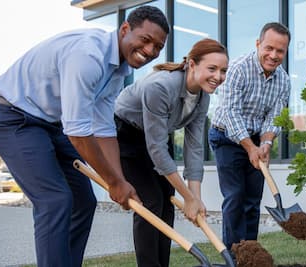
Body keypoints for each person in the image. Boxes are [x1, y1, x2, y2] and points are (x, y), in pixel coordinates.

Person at [0, 6, 168, 267]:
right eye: (145, 40)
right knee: (55, 199)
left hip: (49, 125)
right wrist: (114, 183)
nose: (150, 51)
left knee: (84, 201)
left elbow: (103, 130)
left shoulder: (118, 72)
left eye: (158, 47)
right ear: (125, 29)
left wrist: (120, 180)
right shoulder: (88, 55)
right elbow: (78, 133)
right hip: (10, 117)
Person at [114, 38, 228, 266]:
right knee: (151, 202)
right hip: (126, 134)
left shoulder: (203, 95)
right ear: (192, 64)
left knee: (167, 202)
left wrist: (195, 198)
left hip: (156, 134)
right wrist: (187, 197)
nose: (218, 76)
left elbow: (194, 146)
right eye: (212, 68)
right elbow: (156, 150)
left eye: (223, 70)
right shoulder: (161, 87)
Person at [208, 22, 291, 250]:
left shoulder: (283, 80)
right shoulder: (237, 69)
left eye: (280, 51)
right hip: (226, 137)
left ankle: (251, 253)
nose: (273, 55)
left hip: (255, 138)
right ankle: (234, 254)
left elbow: (275, 117)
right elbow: (230, 112)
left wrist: (265, 144)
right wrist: (249, 147)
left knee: (253, 200)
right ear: (258, 44)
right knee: (235, 196)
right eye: (269, 48)